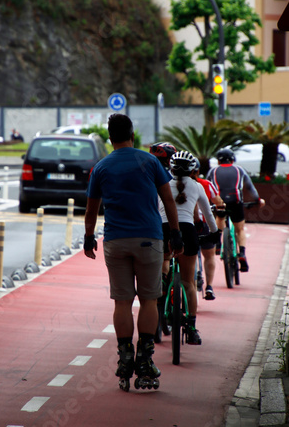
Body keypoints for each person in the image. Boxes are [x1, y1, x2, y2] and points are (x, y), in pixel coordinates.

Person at [83, 114, 184, 391]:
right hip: (149, 240)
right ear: (132, 135)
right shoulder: (150, 161)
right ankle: (145, 360)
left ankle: (125, 358)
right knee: (150, 299)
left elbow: (91, 208)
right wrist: (175, 233)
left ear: (109, 137)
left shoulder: (101, 167)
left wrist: (89, 237)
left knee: (122, 301)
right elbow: (167, 199)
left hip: (115, 241)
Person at [169, 150, 221, 345]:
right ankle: (191, 327)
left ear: (171, 168)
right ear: (193, 170)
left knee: (163, 267)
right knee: (188, 282)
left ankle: (162, 296)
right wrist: (215, 232)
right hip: (188, 232)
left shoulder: (163, 185)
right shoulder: (198, 186)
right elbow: (207, 214)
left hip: (165, 231)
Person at [206, 148, 265, 273]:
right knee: (240, 229)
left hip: (220, 201)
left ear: (218, 160)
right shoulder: (239, 170)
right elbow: (250, 187)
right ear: (233, 159)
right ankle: (242, 253)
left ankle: (218, 243)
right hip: (236, 202)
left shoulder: (213, 170)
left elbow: (207, 186)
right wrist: (258, 200)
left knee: (220, 217)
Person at [149, 141, 178, 341]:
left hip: (149, 225)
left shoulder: (147, 171)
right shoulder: (174, 176)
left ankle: (159, 283)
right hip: (172, 224)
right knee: (168, 258)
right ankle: (167, 285)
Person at [192, 159, 225, 301]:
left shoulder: (172, 184)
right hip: (204, 225)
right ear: (198, 171)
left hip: (184, 225)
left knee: (189, 257)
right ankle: (209, 286)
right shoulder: (205, 184)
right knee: (209, 255)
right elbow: (218, 201)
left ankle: (190, 289)